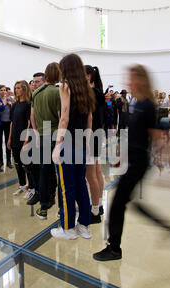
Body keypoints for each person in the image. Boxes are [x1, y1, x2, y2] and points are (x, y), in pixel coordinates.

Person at [93, 65, 170, 261]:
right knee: (128, 203)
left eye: (130, 79)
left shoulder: (147, 105)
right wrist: (121, 157)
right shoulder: (137, 102)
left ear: (140, 80)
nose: (128, 82)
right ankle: (166, 227)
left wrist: (166, 156)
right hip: (132, 159)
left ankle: (114, 248)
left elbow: (155, 133)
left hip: (138, 162)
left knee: (117, 205)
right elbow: (133, 135)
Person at [50, 53, 94, 240]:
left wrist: (57, 145)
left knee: (66, 187)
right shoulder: (87, 88)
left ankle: (67, 228)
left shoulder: (65, 86)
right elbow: (90, 118)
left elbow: (64, 118)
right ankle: (84, 226)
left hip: (68, 142)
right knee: (81, 185)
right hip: (81, 142)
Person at [31, 62, 62, 220]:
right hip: (55, 135)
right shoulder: (57, 93)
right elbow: (60, 117)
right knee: (60, 173)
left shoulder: (36, 93)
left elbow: (33, 116)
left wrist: (36, 134)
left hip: (42, 135)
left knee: (44, 171)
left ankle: (44, 205)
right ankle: (61, 208)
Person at [85, 65, 106, 224]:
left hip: (91, 135)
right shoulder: (98, 90)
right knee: (97, 171)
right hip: (97, 134)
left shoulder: (92, 92)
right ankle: (99, 204)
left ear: (87, 76)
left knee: (90, 174)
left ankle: (95, 211)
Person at [8, 81, 33, 196]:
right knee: (17, 164)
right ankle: (22, 185)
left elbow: (29, 123)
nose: (16, 90)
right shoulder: (14, 105)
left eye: (18, 88)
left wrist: (26, 140)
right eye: (15, 88)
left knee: (27, 165)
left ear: (24, 89)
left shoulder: (28, 104)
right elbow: (12, 123)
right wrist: (9, 139)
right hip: (14, 138)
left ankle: (32, 188)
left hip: (24, 139)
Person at [25, 72, 45, 204]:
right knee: (33, 165)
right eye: (33, 82)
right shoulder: (33, 98)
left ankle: (44, 193)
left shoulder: (45, 96)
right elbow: (30, 120)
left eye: (37, 82)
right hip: (34, 133)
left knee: (43, 167)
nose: (34, 84)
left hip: (45, 133)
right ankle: (37, 191)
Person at [0, 85, 13, 169]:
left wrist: (11, 105)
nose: (3, 91)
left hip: (8, 122)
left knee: (8, 142)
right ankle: (1, 161)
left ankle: (8, 161)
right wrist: (4, 103)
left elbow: (14, 110)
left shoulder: (10, 99)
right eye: (1, 90)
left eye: (5, 90)